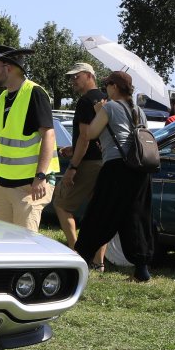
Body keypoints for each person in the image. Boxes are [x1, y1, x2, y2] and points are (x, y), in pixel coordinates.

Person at [74, 70, 156, 280]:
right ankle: (142, 269)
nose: (105, 88)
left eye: (108, 84)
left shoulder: (109, 107)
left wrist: (98, 111)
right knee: (135, 216)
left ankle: (82, 257)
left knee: (100, 213)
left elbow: (90, 133)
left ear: (115, 87)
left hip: (116, 168)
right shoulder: (139, 111)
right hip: (139, 169)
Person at [0, 45, 58, 230]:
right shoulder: (3, 98)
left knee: (26, 243)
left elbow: (48, 134)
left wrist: (40, 176)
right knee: (3, 242)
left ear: (8, 67)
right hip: (3, 185)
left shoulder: (35, 93)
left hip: (29, 187)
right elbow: (0, 142)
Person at [52, 62, 105, 247]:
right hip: (104, 161)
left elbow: (85, 137)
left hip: (88, 163)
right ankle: (98, 260)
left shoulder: (85, 101)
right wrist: (74, 148)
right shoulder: (105, 99)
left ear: (89, 76)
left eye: (77, 76)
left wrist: (72, 167)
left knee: (61, 204)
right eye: (71, 77)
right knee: (98, 212)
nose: (73, 80)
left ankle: (76, 250)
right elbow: (96, 136)